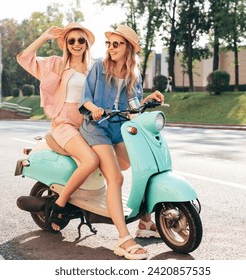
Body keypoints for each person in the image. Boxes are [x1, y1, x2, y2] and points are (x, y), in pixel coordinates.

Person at [78, 25, 164, 260]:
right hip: (97, 128)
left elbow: (133, 106)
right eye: (109, 44)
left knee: (140, 165)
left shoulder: (132, 75)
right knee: (116, 178)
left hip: (118, 129)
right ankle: (123, 239)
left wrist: (148, 99)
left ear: (128, 48)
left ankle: (145, 221)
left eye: (117, 44)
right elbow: (85, 98)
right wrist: (94, 108)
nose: (111, 48)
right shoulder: (99, 67)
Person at [17, 22, 99, 231]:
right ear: (66, 44)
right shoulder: (57, 64)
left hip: (88, 124)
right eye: (71, 40)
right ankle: (60, 206)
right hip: (64, 123)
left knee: (115, 160)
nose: (77, 44)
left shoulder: (94, 69)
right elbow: (24, 58)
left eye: (81, 40)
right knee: (90, 161)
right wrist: (44, 36)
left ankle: (144, 220)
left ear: (87, 43)